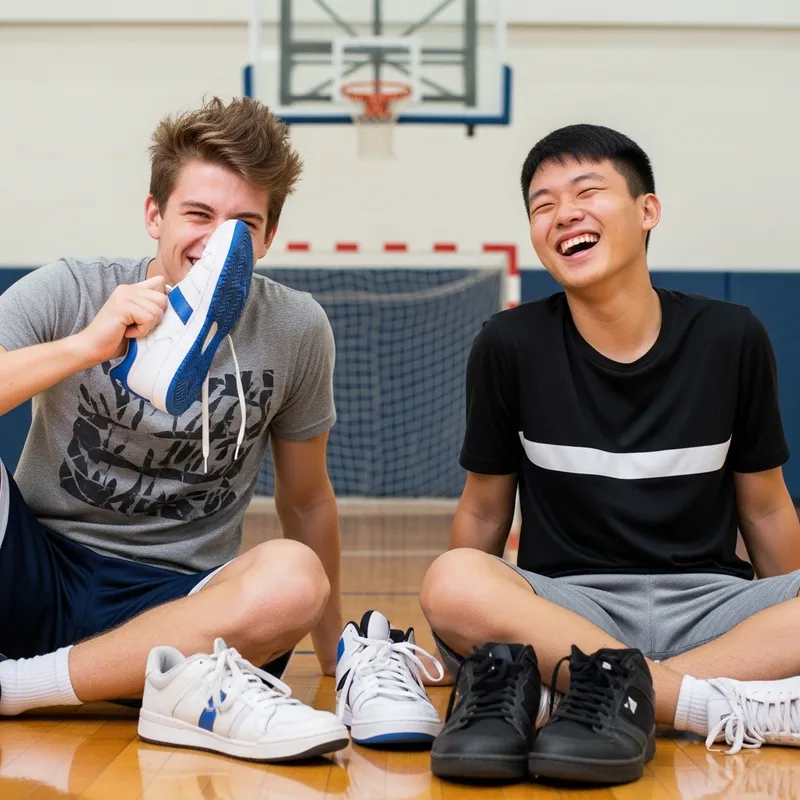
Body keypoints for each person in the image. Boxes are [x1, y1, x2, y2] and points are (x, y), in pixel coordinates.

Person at [420, 123, 800, 754]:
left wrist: (782, 625)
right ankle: (702, 704)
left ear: (646, 210)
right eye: (542, 205)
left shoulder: (731, 337)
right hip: (569, 607)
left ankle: (588, 693)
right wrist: (468, 635)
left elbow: (764, 505)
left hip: (711, 606)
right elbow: (485, 507)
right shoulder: (508, 345)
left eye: (587, 192)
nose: (563, 214)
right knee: (452, 579)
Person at [0, 97, 343, 721]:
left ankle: (21, 688)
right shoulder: (74, 288)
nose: (216, 240)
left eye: (243, 223)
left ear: (267, 237)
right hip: (36, 569)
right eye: (198, 214)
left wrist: (335, 653)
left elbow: (307, 498)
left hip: (178, 604)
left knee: (296, 578)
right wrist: (85, 346)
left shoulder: (296, 328)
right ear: (154, 214)